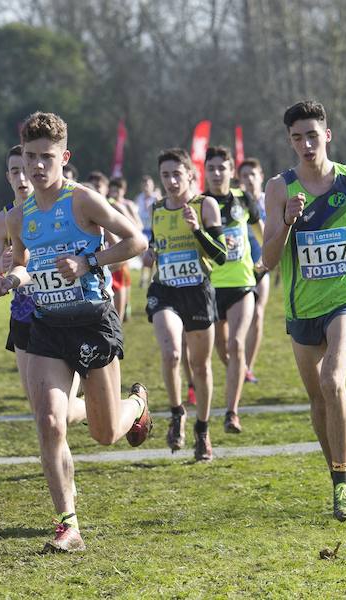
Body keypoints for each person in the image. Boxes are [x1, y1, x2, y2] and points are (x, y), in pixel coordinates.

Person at [0, 111, 151, 553]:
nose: (37, 167)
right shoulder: (19, 217)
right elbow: (25, 264)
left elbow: (137, 241)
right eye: (29, 157)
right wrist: (8, 277)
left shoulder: (82, 200)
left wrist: (90, 262)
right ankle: (68, 525)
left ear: (64, 156)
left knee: (104, 433)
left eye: (46, 157)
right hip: (46, 326)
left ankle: (136, 404)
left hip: (92, 321)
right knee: (47, 421)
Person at [262, 100, 346, 522]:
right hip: (303, 307)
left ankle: (344, 484)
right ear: (290, 141)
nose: (306, 143)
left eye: (312, 135)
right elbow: (266, 259)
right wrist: (285, 220)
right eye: (297, 137)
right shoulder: (279, 188)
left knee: (332, 378)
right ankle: (336, 476)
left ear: (327, 136)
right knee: (317, 400)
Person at [0, 144, 86, 422]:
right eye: (15, 171)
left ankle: (104, 407)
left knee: (59, 413)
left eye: (25, 169)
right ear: (9, 177)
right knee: (42, 412)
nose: (22, 177)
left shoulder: (61, 206)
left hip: (64, 309)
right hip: (25, 314)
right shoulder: (4, 220)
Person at [144, 148, 226, 461]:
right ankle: (177, 413)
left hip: (197, 292)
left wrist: (197, 230)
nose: (171, 181)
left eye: (177, 174)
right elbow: (156, 245)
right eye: (165, 175)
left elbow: (220, 255)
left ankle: (202, 431)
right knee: (172, 353)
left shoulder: (205, 205)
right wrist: (150, 254)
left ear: (190, 174)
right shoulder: (157, 208)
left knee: (200, 365)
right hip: (166, 290)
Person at [205, 147, 260, 434]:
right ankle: (235, 377)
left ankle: (232, 412)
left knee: (236, 345)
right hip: (211, 288)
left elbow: (262, 230)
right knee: (223, 352)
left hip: (241, 283)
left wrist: (268, 258)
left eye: (221, 168)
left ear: (231, 171)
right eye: (211, 168)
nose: (216, 173)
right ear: (205, 171)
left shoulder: (244, 199)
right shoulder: (198, 203)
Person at [238, 158, 269, 383]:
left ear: (261, 177)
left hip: (261, 265)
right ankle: (237, 360)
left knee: (258, 313)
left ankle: (248, 367)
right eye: (244, 175)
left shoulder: (271, 201)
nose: (248, 179)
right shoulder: (235, 203)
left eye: (252, 174)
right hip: (237, 268)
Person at [107, 177, 142, 321]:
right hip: (108, 249)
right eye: (113, 189)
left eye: (118, 189)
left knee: (122, 283)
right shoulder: (104, 202)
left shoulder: (128, 205)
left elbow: (138, 226)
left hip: (124, 249)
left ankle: (125, 305)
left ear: (124, 190)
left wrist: (122, 212)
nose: (115, 193)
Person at [134, 175, 160, 287]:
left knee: (152, 255)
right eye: (144, 184)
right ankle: (143, 277)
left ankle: (150, 278)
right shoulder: (138, 198)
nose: (146, 187)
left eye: (148, 185)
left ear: (152, 186)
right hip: (142, 230)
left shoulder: (156, 198)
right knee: (142, 256)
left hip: (153, 229)